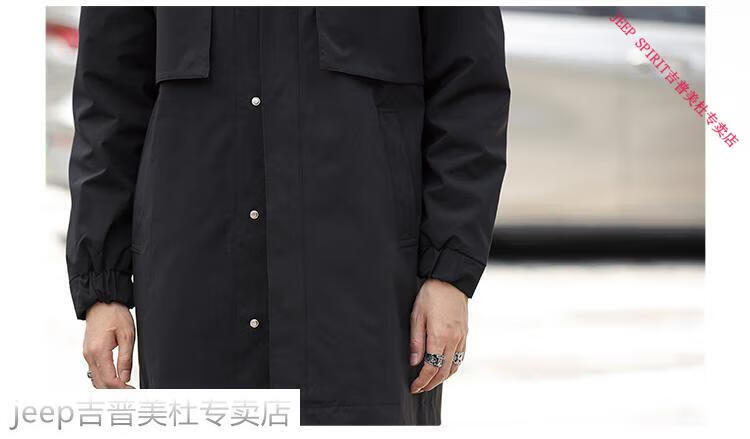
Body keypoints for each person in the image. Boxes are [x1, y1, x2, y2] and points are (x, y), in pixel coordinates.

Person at [66, 6, 510, 425]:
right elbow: (108, 106)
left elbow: (469, 95)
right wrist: (104, 290)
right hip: (196, 301)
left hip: (365, 304)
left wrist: (448, 275)